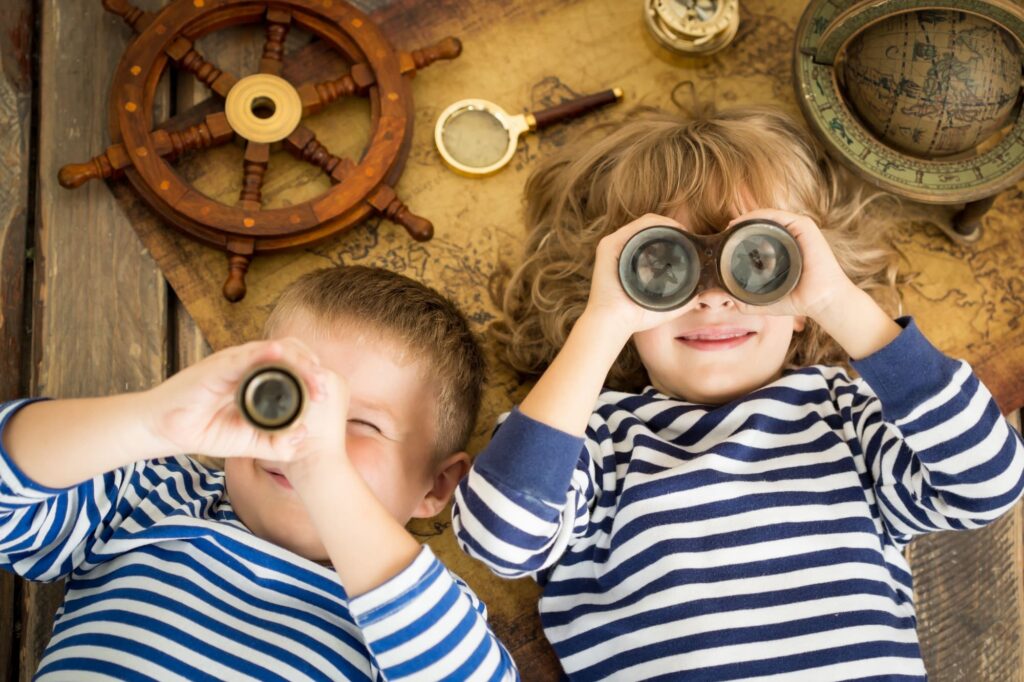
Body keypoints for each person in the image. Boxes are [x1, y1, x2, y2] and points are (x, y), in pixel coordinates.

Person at [451, 107, 1024, 680]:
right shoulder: (593, 441)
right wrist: (601, 326)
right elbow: (499, 537)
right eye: (661, 266)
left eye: (755, 262)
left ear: (801, 299)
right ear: (617, 290)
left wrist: (838, 302)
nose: (714, 299)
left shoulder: (843, 418)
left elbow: (988, 482)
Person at [1, 265, 518, 680]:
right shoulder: (155, 495)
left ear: (436, 487)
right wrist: (152, 421)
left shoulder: (417, 610)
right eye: (288, 398)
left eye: (360, 423)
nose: (308, 434)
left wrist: (324, 471)